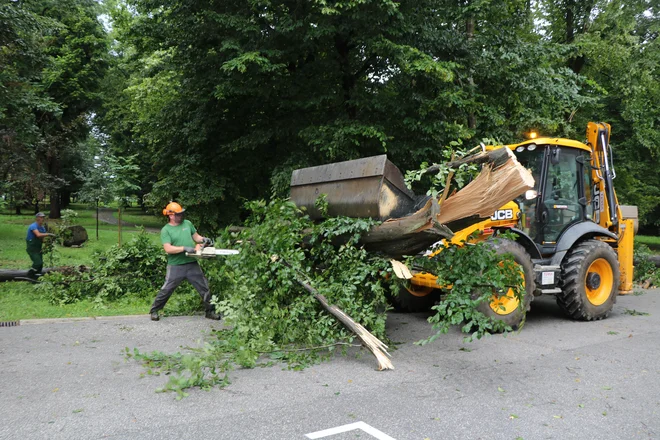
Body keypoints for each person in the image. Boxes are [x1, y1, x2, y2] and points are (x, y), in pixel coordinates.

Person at [149, 202, 221, 321]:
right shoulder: (166, 230)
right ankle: (154, 310)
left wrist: (204, 239)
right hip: (176, 265)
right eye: (178, 214)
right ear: (171, 215)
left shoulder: (187, 223)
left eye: (182, 213)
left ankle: (210, 311)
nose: (181, 216)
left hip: (191, 263)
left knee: (204, 287)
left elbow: (196, 237)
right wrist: (183, 248)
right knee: (167, 289)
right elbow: (168, 248)